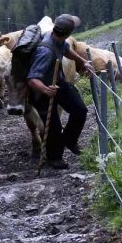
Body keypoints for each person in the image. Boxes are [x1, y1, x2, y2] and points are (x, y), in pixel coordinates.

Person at [27, 14, 92, 169]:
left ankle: (69, 140)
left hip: (58, 83)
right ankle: (54, 158)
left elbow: (66, 50)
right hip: (41, 92)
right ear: (67, 33)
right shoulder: (45, 51)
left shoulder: (58, 39)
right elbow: (32, 78)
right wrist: (46, 90)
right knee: (54, 128)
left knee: (80, 110)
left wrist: (82, 61)